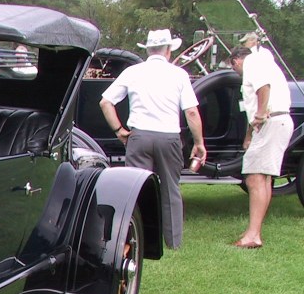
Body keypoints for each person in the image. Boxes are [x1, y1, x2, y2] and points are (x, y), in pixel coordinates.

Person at [99, 28, 206, 250]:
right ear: (168, 50)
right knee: (170, 189)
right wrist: (199, 143)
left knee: (135, 190)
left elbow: (105, 102)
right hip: (169, 137)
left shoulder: (133, 72)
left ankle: (135, 239)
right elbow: (192, 112)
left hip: (139, 136)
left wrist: (119, 130)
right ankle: (173, 241)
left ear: (148, 50)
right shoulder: (179, 74)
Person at [227, 46, 293, 249]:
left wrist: (261, 115)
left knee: (254, 178)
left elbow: (263, 88)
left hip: (271, 122)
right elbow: (255, 102)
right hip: (279, 121)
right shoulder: (266, 63)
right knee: (264, 178)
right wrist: (249, 135)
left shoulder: (252, 63)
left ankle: (253, 235)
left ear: (235, 61)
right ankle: (254, 231)